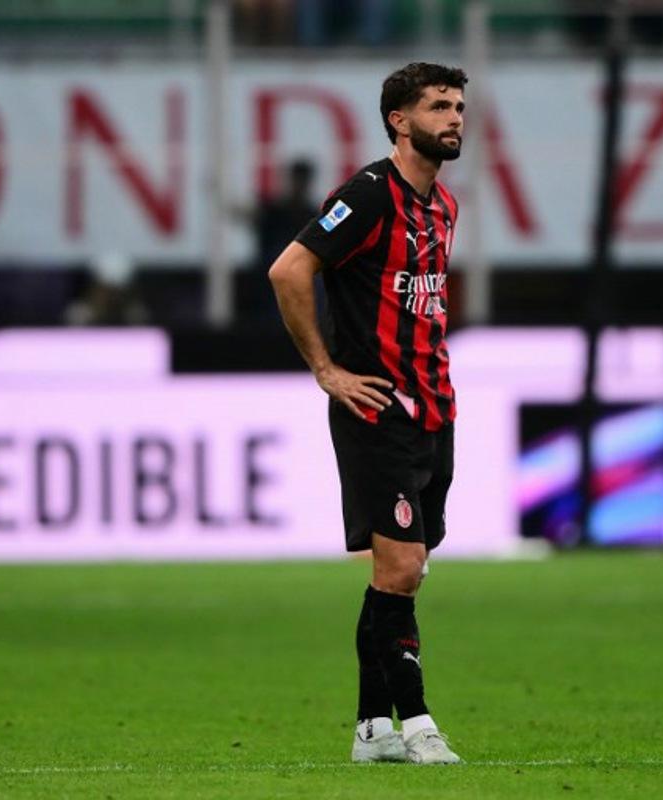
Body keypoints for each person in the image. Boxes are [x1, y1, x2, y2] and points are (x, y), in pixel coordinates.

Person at [267, 62, 466, 764]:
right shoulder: (368, 195)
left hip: (434, 408)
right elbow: (289, 269)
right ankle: (416, 725)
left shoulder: (442, 205)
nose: (454, 118)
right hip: (377, 406)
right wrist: (327, 371)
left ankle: (370, 729)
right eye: (439, 106)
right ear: (398, 120)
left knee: (398, 572)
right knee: (403, 566)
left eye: (459, 107)